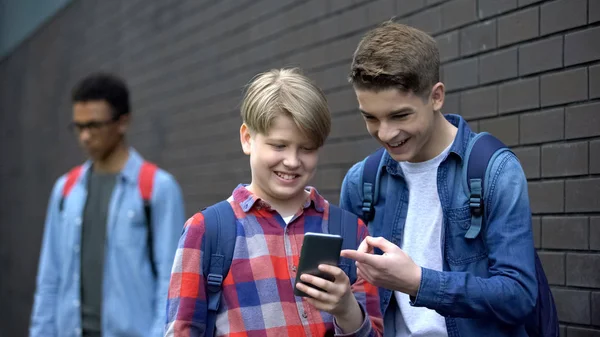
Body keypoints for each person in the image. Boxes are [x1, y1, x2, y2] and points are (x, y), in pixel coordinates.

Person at [338, 22, 539, 337]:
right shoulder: (359, 182)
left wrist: (418, 281)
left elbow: (519, 296)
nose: (386, 134)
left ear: (436, 97)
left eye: (400, 116)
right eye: (371, 118)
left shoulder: (495, 171)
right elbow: (355, 298)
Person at [165, 68, 383, 337]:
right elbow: (182, 331)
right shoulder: (207, 231)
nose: (292, 161)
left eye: (307, 148)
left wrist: (346, 309)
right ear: (247, 138)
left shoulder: (351, 231)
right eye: (278, 146)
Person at [30, 72, 186, 337]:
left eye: (94, 125)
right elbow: (49, 279)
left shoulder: (157, 188)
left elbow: (172, 286)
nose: (85, 137)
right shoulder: (66, 190)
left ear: (123, 122)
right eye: (79, 127)